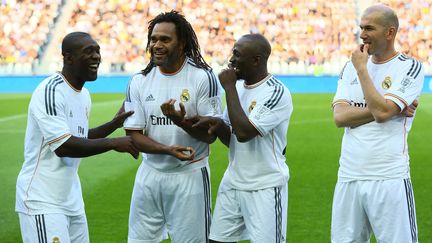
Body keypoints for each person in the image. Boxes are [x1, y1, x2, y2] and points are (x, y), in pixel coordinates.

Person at [15, 32, 139, 243]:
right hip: (43, 200)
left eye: (98, 51)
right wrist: (113, 143)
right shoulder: (51, 91)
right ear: (68, 57)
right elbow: (64, 146)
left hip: (71, 200)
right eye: (88, 51)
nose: (96, 56)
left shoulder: (84, 95)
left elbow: (79, 136)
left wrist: (113, 125)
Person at [123, 11, 222, 243]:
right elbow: (134, 136)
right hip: (149, 175)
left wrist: (181, 122)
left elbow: (210, 136)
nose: (157, 45)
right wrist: (167, 150)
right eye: (154, 39)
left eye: (165, 39)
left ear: (182, 43)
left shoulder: (202, 77)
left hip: (190, 175)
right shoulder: (139, 80)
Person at [331, 4, 423, 243]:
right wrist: (392, 109)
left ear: (389, 32)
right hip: (349, 176)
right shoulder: (348, 67)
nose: (362, 34)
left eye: (369, 28)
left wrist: (363, 70)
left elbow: (383, 113)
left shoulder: (409, 67)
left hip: (389, 177)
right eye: (361, 27)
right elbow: (340, 118)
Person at [192, 33, 293, 242]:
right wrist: (218, 124)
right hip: (233, 181)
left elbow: (245, 133)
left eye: (237, 55)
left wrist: (228, 87)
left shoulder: (276, 92)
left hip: (264, 185)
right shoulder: (238, 88)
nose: (231, 60)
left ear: (256, 60)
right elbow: (232, 139)